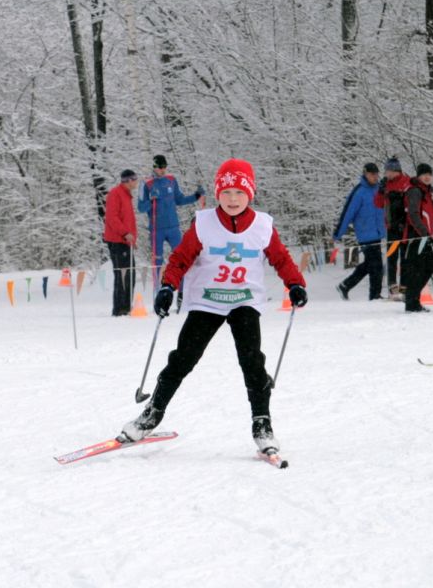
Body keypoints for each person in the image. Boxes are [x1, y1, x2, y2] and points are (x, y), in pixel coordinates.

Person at [119, 158, 308, 459]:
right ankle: (152, 413)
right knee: (182, 359)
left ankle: (262, 423)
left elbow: (281, 259)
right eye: (226, 192)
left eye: (239, 193)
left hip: (245, 301)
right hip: (207, 301)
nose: (233, 200)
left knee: (252, 363)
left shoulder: (262, 226)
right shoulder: (203, 223)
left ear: (250, 194)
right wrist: (168, 286)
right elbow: (180, 258)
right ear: (218, 193)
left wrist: (295, 283)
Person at [138, 154, 205, 306]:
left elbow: (179, 199)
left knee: (181, 258)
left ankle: (181, 291)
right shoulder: (146, 184)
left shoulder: (171, 180)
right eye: (159, 167)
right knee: (158, 261)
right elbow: (141, 207)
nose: (161, 170)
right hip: (157, 229)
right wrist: (151, 200)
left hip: (173, 227)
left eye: (163, 167)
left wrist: (196, 196)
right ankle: (158, 293)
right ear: (154, 167)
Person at [333, 163, 385, 300]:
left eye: (376, 174)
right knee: (376, 265)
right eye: (371, 174)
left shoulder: (380, 189)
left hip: (377, 233)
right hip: (365, 234)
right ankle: (375, 295)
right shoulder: (359, 191)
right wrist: (338, 233)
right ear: (365, 174)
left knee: (370, 265)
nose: (374, 177)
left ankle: (345, 285)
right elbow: (347, 213)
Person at [401, 163, 433, 312]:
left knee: (428, 267)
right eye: (424, 174)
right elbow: (413, 214)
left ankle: (412, 300)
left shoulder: (426, 192)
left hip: (423, 236)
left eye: (429, 174)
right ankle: (411, 302)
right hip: (416, 236)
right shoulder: (416, 191)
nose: (427, 177)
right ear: (418, 176)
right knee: (423, 268)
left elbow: (425, 214)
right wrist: (425, 234)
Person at [374, 157, 412, 299]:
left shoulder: (406, 182)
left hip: (404, 226)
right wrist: (380, 191)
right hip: (391, 227)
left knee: (404, 257)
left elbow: (410, 203)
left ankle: (404, 287)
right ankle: (392, 287)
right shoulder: (386, 185)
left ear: (396, 171)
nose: (387, 174)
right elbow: (378, 204)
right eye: (386, 171)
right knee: (391, 257)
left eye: (389, 171)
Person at [103, 169, 139, 316]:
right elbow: (112, 218)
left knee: (130, 275)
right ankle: (120, 310)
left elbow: (127, 219)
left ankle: (126, 307)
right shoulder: (115, 194)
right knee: (123, 275)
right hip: (117, 241)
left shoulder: (126, 195)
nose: (136, 182)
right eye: (135, 179)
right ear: (128, 181)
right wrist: (125, 233)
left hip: (126, 241)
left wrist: (132, 238)